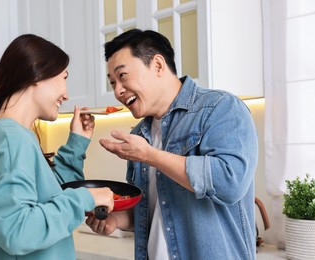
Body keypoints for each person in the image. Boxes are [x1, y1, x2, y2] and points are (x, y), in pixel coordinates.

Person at [86, 29, 258, 260]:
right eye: (113, 82)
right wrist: (115, 221)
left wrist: (150, 156)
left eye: (123, 76)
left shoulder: (221, 108)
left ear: (157, 65)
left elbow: (230, 182)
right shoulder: (141, 135)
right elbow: (151, 210)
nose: (117, 91)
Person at [0, 34, 114, 260]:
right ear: (37, 74)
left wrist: (76, 142)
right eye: (64, 77)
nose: (66, 94)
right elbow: (17, 230)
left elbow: (49, 195)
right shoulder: (13, 139)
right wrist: (86, 198)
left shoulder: (3, 134)